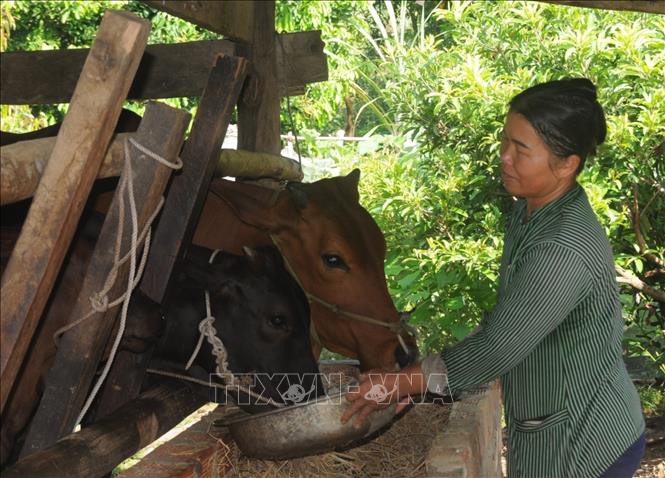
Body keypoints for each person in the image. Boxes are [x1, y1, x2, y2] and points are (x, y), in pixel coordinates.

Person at [342, 78, 646, 477]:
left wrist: (402, 384)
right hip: (561, 428)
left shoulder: (561, 246)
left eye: (521, 150)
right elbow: (514, 317)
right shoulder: (532, 212)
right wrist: (418, 382)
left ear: (567, 164)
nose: (504, 157)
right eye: (505, 141)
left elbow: (498, 347)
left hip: (586, 445)